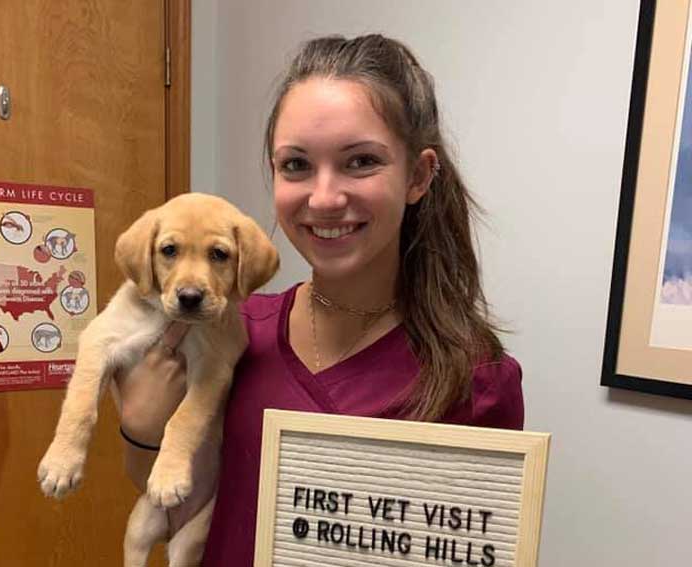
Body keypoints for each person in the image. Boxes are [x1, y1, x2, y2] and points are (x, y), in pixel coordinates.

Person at [114, 33, 524, 566]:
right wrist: (143, 432)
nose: (324, 198)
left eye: (360, 162)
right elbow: (176, 503)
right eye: (296, 165)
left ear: (418, 176)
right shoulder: (232, 334)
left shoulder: (476, 379)